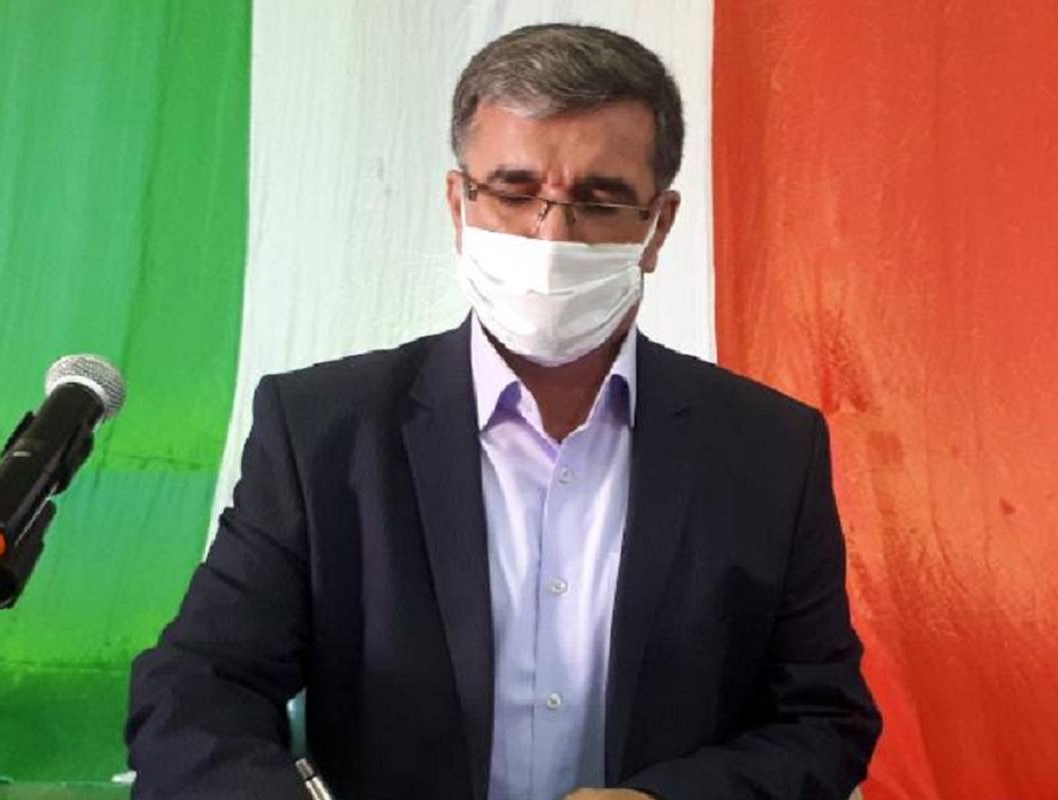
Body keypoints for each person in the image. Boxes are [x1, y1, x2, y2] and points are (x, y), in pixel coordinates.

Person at [126, 23, 881, 800]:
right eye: (515, 192)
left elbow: (821, 720)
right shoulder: (322, 432)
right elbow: (197, 692)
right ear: (459, 204)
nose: (551, 235)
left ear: (658, 227)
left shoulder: (768, 451)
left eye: (599, 200)